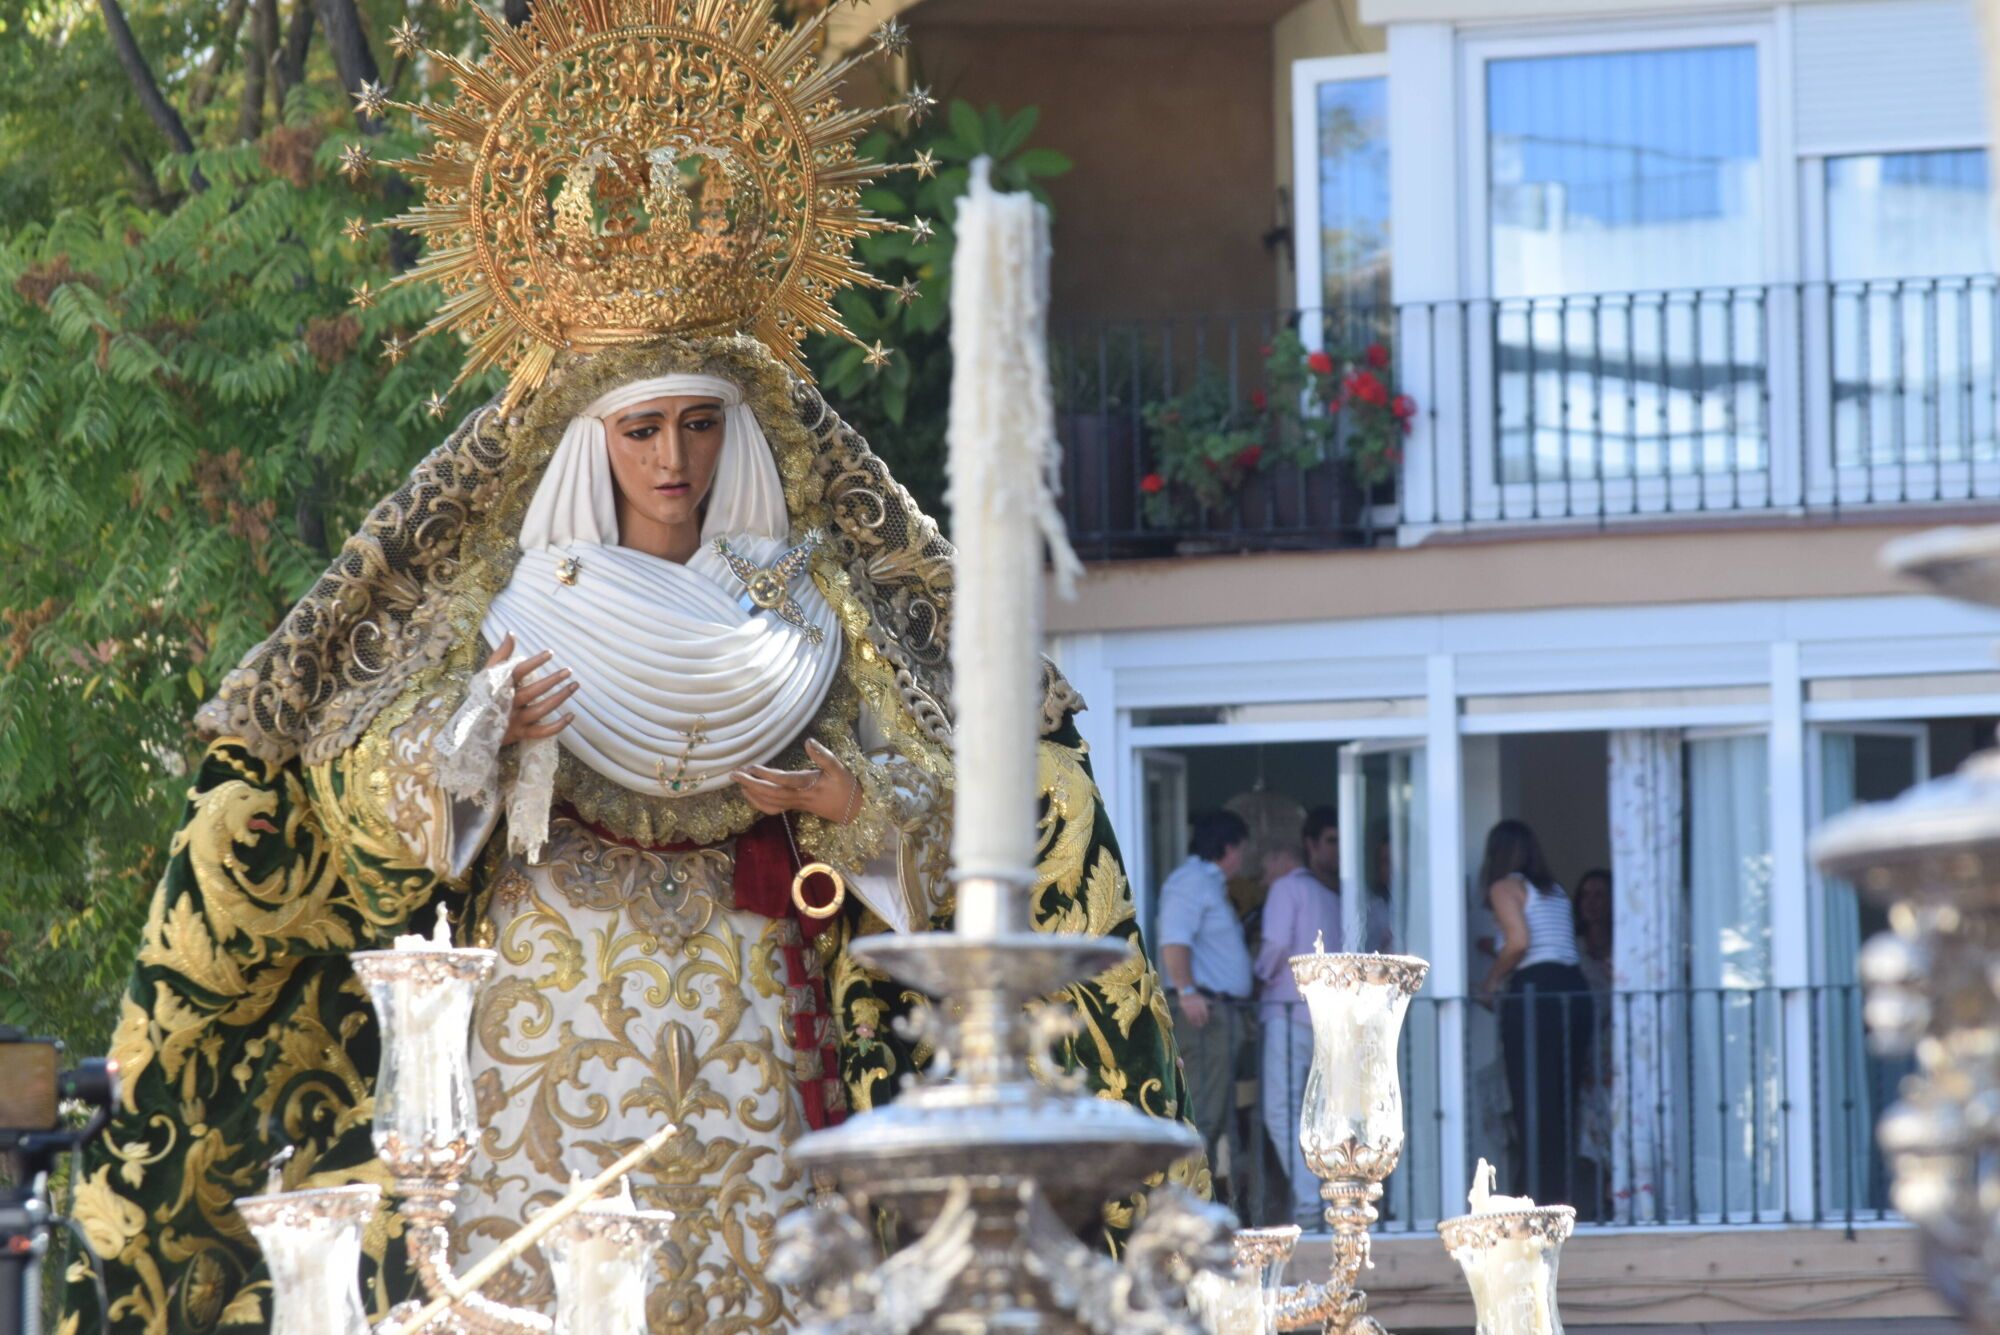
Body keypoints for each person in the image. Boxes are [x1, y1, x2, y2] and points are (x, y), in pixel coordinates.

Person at [68, 5, 1201, 1328]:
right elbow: (355, 809)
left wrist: (852, 809)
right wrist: (472, 742)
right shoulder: (499, 598)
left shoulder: (814, 600)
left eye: (702, 428)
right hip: (532, 1063)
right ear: (589, 443)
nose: (675, 463)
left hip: (760, 1063)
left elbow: (985, 845)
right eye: (644, 430)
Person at [1477, 819, 1593, 1209]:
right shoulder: (1554, 891)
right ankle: (1559, 1193)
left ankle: (1534, 1197)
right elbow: (1546, 942)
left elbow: (1520, 942)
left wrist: (1490, 982)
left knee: (1532, 1098)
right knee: (1563, 1099)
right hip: (1574, 990)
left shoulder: (1503, 887)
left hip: (1536, 995)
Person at [1254, 806, 1345, 1224]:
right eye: (1332, 840)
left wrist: (1255, 980)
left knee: (1282, 1109)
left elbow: (1273, 947)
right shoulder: (1334, 894)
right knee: (1319, 1111)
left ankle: (1311, 1203)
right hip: (1327, 1018)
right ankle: (1326, 1199)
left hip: (1289, 1013)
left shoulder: (1288, 889)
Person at [1159, 809, 1255, 1198]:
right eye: (1242, 850)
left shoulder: (1206, 883)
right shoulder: (1191, 882)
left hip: (1219, 1014)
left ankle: (1200, 1201)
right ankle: (1188, 1205)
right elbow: (1173, 941)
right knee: (1203, 1112)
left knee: (1216, 1114)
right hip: (1203, 1016)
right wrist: (1186, 992)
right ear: (1228, 847)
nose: (1244, 859)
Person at [1573, 867, 1615, 1220]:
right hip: (1591, 1052)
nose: (1592, 903)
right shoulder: (1576, 953)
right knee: (1593, 1121)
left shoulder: (1628, 949)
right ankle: (1604, 1194)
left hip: (1624, 1048)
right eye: (1586, 895)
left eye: (1600, 895)